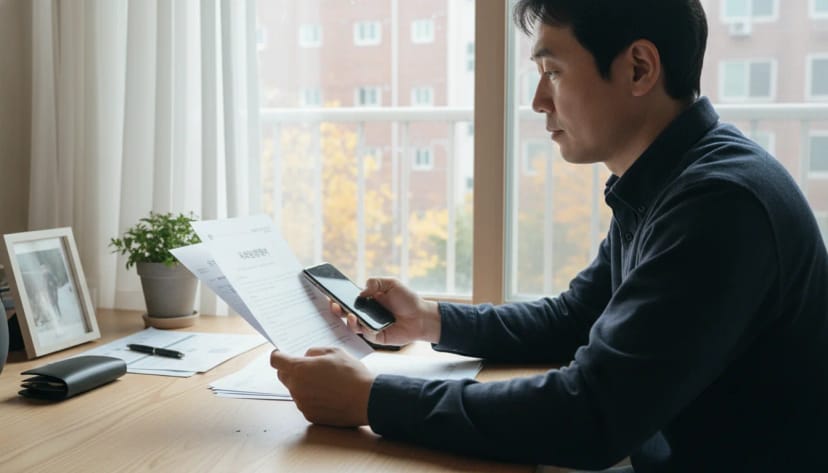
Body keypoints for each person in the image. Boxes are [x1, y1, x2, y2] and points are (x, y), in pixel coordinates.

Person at [270, 0, 828, 471]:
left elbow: (590, 415)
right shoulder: (668, 181)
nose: (539, 99)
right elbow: (576, 318)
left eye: (553, 71)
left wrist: (369, 398)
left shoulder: (719, 205)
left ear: (639, 69)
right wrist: (429, 320)